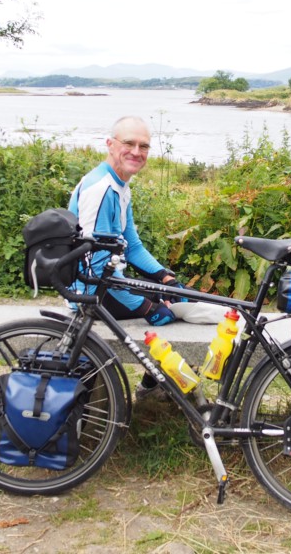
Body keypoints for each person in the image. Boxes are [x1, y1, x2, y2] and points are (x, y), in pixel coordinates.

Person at [68, 115, 182, 398]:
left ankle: (153, 385)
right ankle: (154, 388)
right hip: (90, 292)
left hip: (108, 282)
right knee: (170, 312)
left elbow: (131, 246)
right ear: (109, 144)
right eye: (129, 143)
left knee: (177, 294)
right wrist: (146, 307)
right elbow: (94, 268)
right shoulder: (101, 189)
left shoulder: (119, 185)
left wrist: (164, 277)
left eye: (144, 146)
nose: (136, 151)